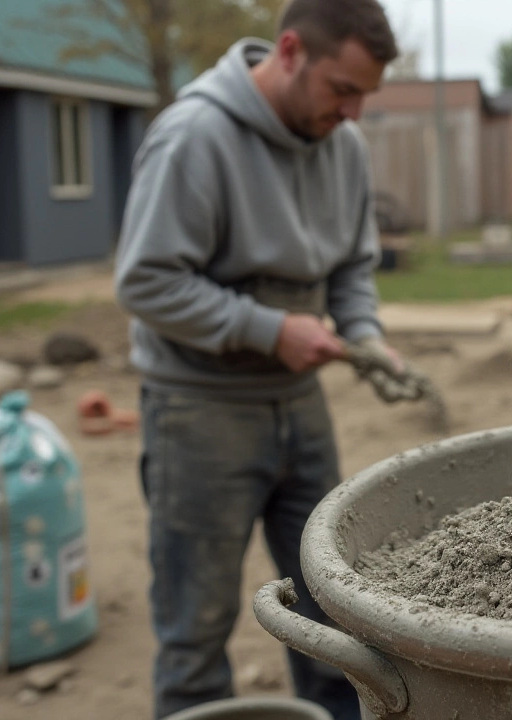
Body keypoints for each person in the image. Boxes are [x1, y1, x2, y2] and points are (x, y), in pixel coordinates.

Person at [114, 1, 400, 717]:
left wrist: (362, 331)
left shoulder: (345, 146)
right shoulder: (194, 137)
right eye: (343, 89)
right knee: (196, 625)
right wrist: (268, 329)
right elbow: (145, 281)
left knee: (329, 604)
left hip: (299, 405)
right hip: (199, 409)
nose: (354, 112)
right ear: (292, 50)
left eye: (365, 95)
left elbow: (352, 268)